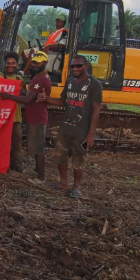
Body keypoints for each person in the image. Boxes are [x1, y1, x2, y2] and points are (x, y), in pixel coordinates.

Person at [44, 55, 102, 198]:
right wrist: (46, 99)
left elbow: (96, 110)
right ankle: (63, 183)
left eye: (78, 66)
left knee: (78, 159)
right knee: (60, 156)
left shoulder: (94, 84)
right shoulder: (69, 81)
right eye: (72, 66)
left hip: (81, 130)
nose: (75, 68)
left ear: (86, 66)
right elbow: (62, 101)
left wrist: (91, 133)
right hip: (65, 128)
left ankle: (76, 187)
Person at [0, 51, 52, 184]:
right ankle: (36, 169)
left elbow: (27, 99)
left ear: (45, 62)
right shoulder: (40, 76)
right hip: (33, 115)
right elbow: (28, 95)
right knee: (34, 145)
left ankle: (40, 177)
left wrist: (7, 95)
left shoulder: (39, 79)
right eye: (33, 62)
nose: (35, 65)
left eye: (38, 63)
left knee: (38, 147)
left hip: (37, 117)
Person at [0, 52, 23, 172]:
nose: (10, 65)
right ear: (5, 64)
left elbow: (23, 95)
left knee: (16, 143)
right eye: (8, 63)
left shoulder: (19, 79)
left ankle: (15, 163)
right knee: (2, 143)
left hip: (16, 118)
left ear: (17, 64)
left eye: (13, 63)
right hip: (2, 118)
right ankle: (3, 164)